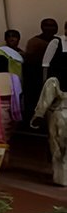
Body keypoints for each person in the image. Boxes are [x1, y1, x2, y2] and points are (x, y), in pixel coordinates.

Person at [31, 46, 67, 186]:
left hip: (58, 115)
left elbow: (45, 101)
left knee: (58, 148)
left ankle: (62, 179)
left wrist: (38, 116)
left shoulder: (53, 80)